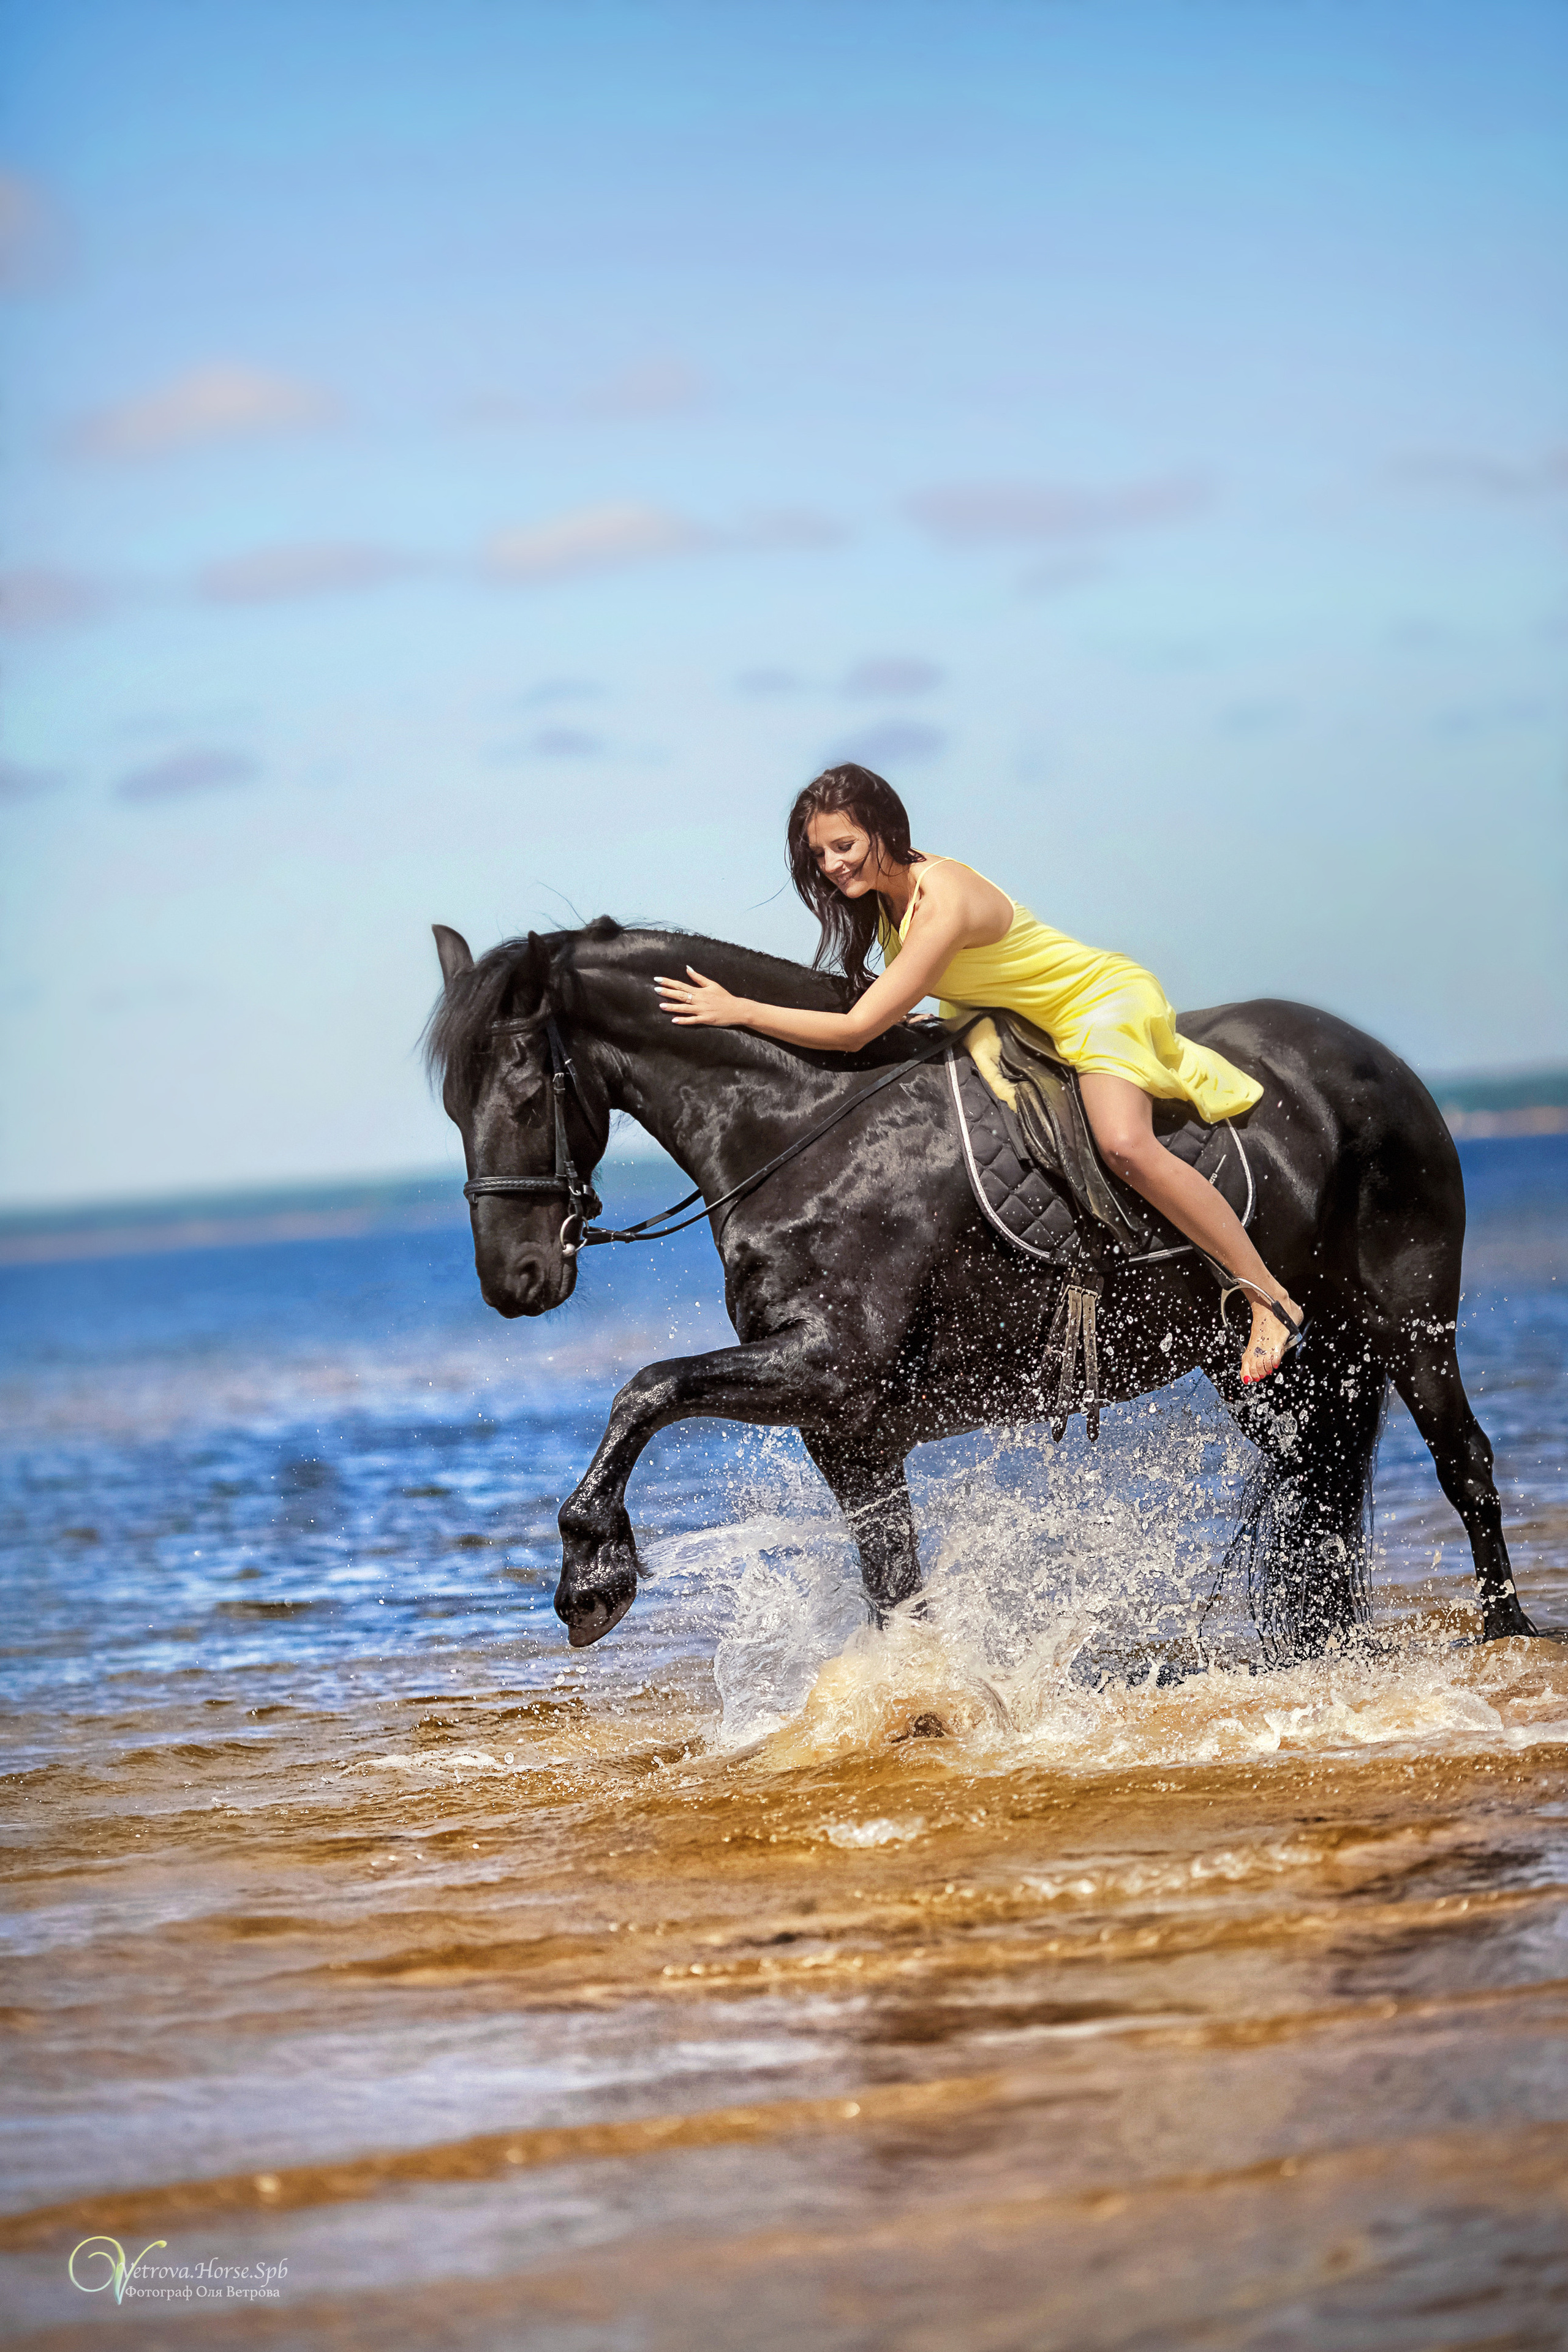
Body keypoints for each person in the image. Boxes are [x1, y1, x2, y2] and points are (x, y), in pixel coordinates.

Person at [656, 764, 1303, 1384]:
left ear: (885, 829)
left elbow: (858, 1028)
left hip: (1098, 1005)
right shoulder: (887, 897)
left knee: (1122, 1144)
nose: (832, 866)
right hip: (1017, 1018)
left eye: (844, 845)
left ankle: (1267, 1300)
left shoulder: (945, 898)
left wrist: (737, 1010)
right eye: (819, 855)